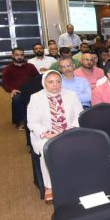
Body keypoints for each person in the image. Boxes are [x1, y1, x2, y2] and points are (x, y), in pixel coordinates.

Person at [27, 70, 83, 202]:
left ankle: (77, 180)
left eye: (58, 81)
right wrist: (46, 134)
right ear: (44, 83)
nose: (55, 85)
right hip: (46, 135)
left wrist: (70, 130)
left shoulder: (71, 95)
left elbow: (79, 115)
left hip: (69, 133)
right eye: (51, 82)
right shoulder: (35, 98)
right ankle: (49, 186)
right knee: (46, 150)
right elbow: (32, 122)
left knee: (81, 147)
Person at [1, 47, 39, 130]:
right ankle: (21, 121)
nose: (19, 57)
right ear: (12, 56)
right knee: (17, 98)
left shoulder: (31, 66)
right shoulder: (8, 69)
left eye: (21, 55)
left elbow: (37, 78)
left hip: (31, 90)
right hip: (18, 91)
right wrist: (11, 90)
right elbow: (5, 84)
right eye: (17, 55)